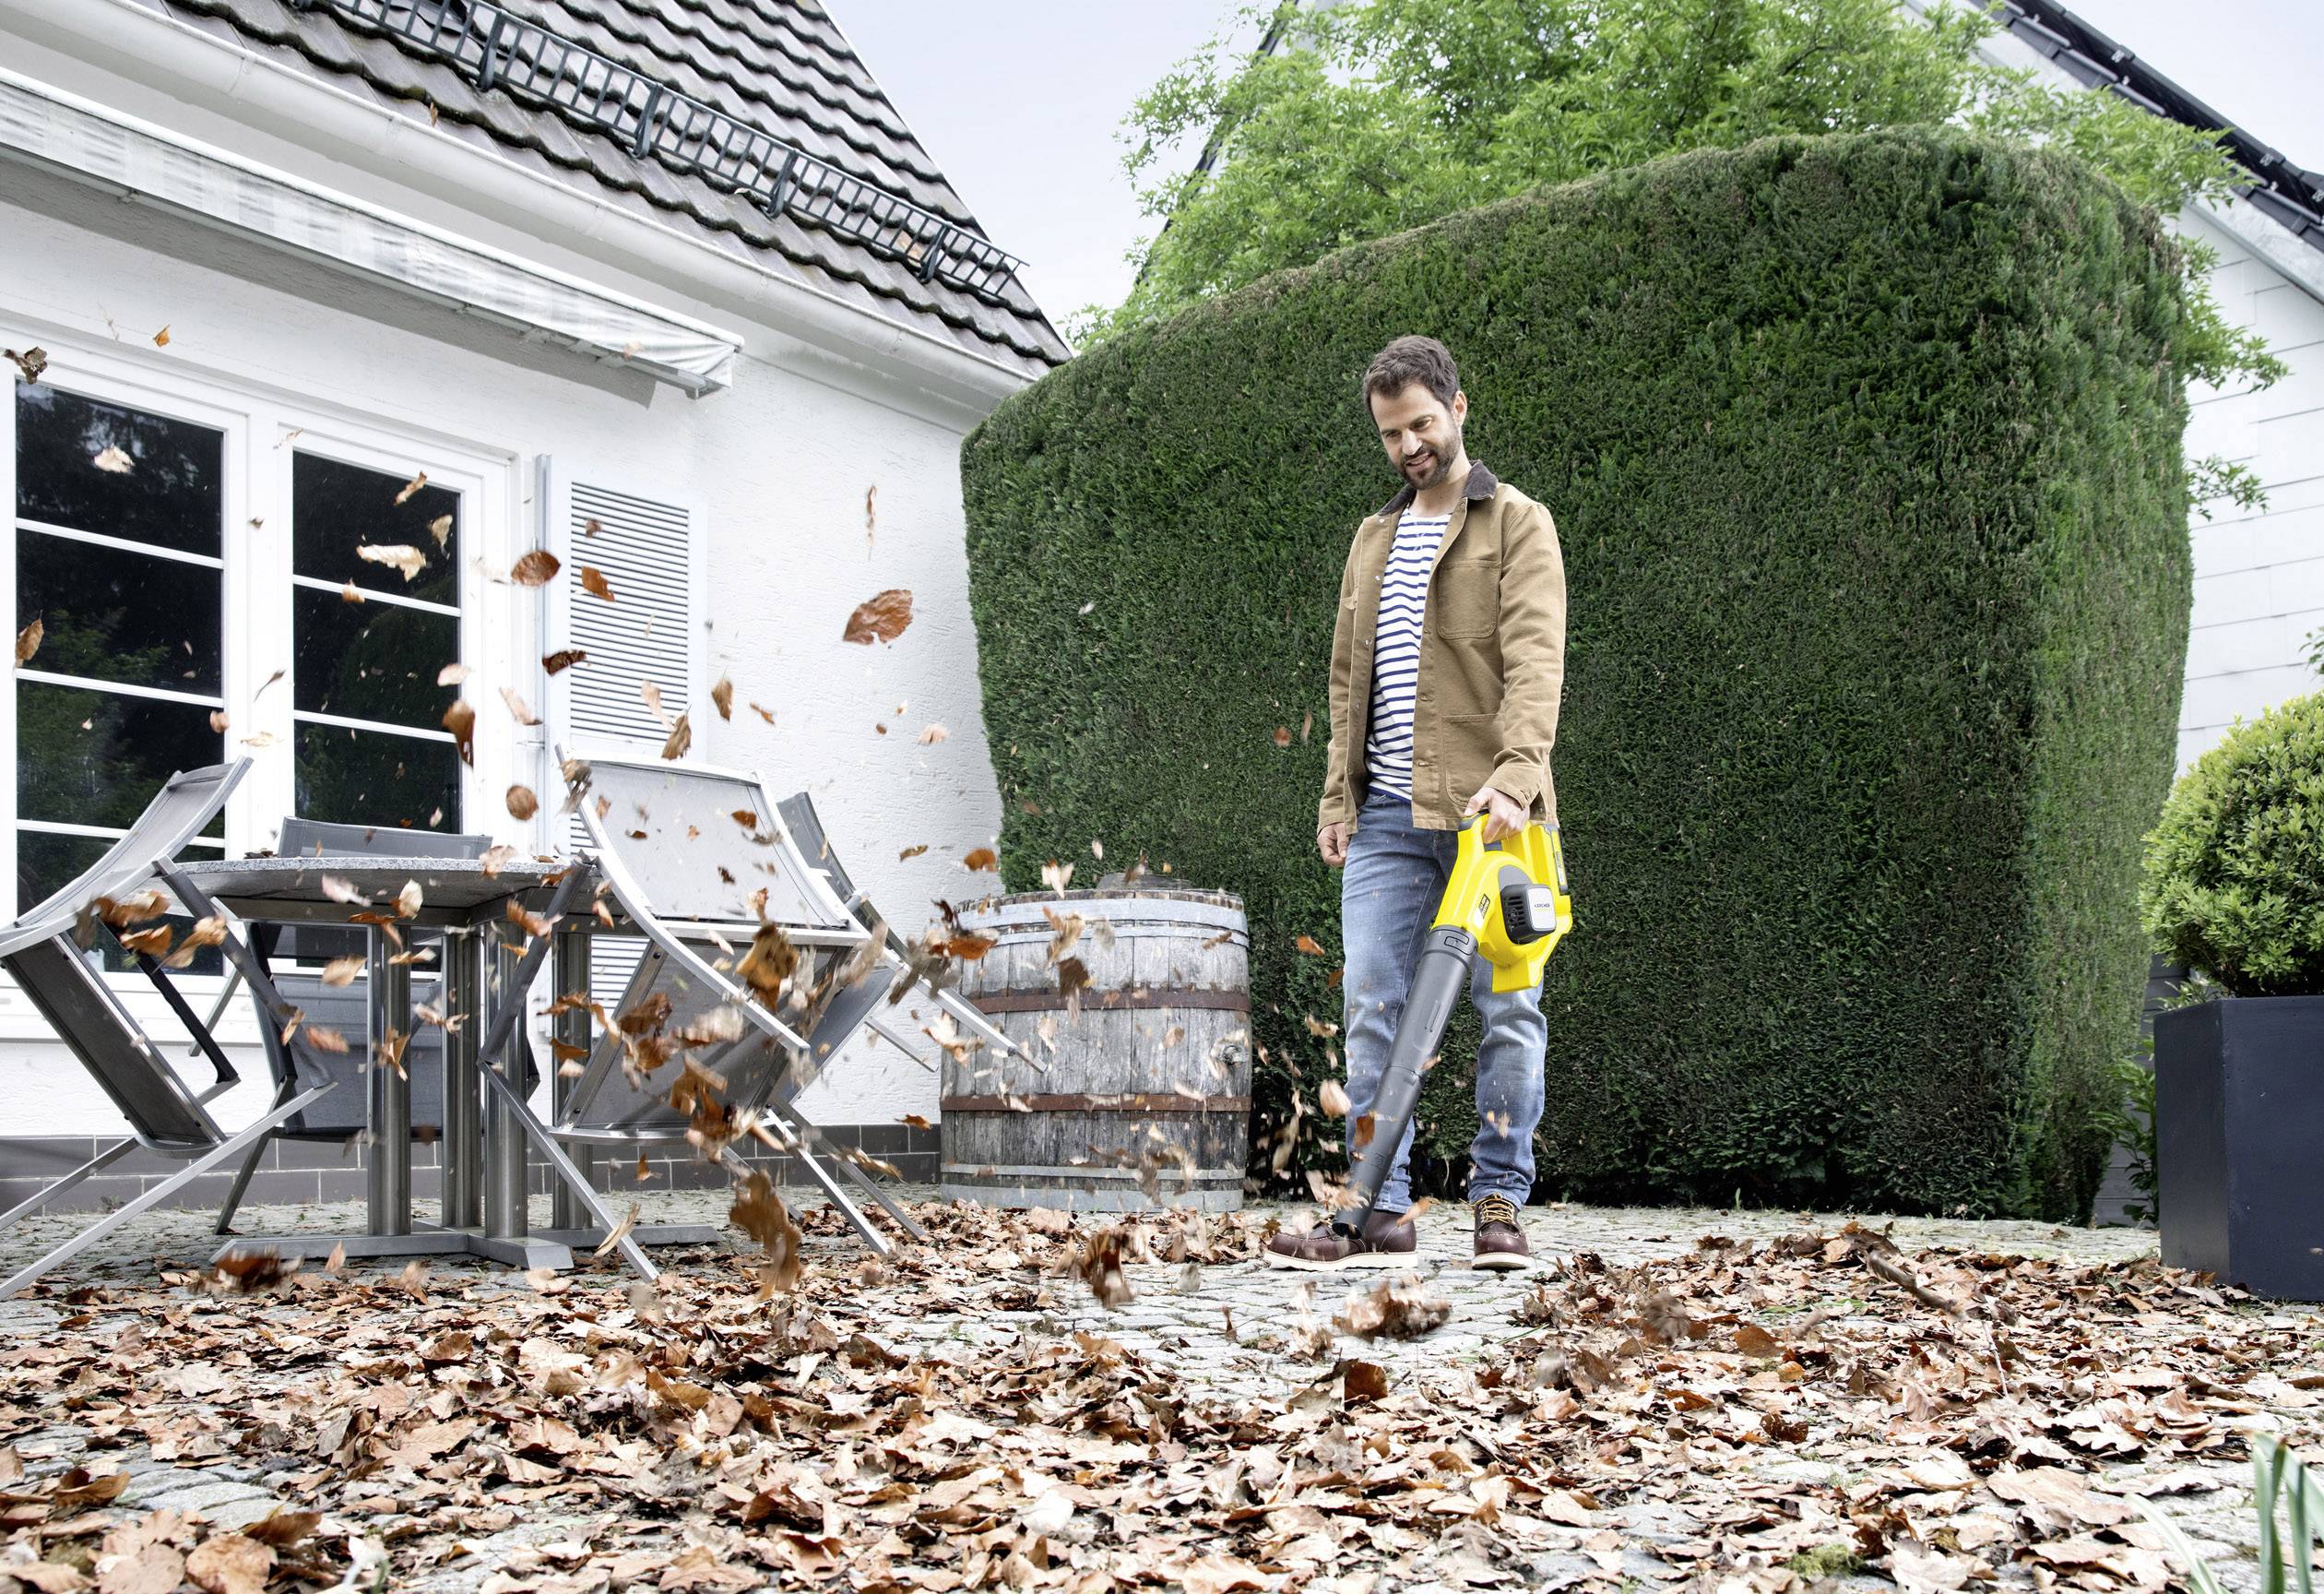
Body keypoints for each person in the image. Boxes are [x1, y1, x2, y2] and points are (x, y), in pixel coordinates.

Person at [1265, 335, 1568, 1272]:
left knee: (1507, 1009)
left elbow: (1535, 664)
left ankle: (1497, 1206)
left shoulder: (1518, 523)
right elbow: (1346, 675)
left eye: (1422, 426)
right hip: (1388, 820)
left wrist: (1516, 780)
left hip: (1494, 818)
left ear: (1459, 409)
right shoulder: (1373, 537)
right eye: (1392, 434)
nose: (1408, 448)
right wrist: (1336, 797)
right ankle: (1375, 1211)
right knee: (1371, 1003)